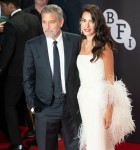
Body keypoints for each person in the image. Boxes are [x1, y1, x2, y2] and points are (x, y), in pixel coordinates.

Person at [23, 4, 81, 150]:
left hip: (71, 106)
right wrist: (34, 106)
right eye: (44, 22)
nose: (46, 26)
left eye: (51, 22)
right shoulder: (32, 46)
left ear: (61, 22)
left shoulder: (76, 41)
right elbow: (28, 78)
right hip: (45, 107)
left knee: (76, 147)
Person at [77, 4, 135, 150]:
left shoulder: (104, 46)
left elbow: (110, 81)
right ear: (80, 22)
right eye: (84, 20)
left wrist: (109, 110)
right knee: (91, 140)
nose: (87, 25)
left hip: (99, 100)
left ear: (98, 23)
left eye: (91, 20)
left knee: (99, 142)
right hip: (83, 98)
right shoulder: (80, 43)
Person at [0, 0, 42, 149]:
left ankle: (17, 144)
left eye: (3, 6)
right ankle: (40, 139)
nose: (2, 9)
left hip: (16, 74)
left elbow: (7, 52)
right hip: (35, 70)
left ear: (11, 6)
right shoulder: (34, 19)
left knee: (9, 105)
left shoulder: (11, 24)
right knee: (34, 105)